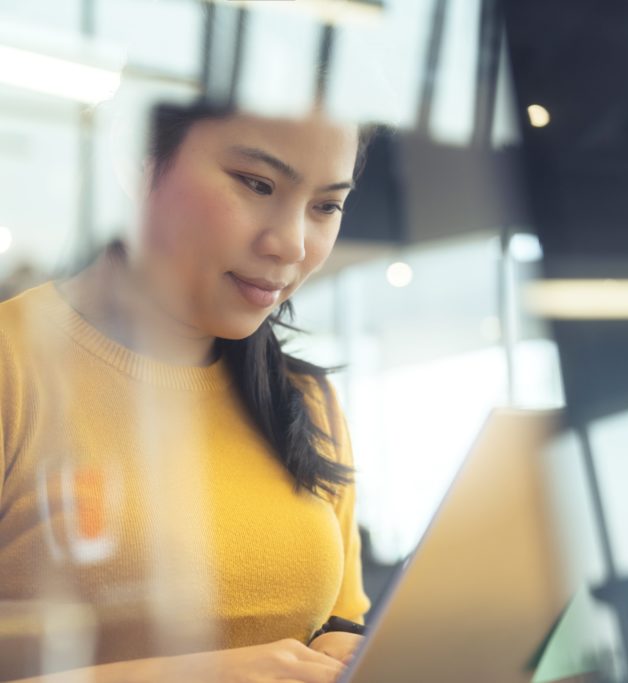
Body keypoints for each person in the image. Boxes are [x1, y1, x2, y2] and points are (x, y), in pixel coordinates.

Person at [0, 101, 375, 682]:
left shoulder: (304, 399)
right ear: (140, 162)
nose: (293, 244)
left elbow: (339, 621)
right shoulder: (14, 367)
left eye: (326, 205)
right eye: (257, 184)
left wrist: (343, 652)